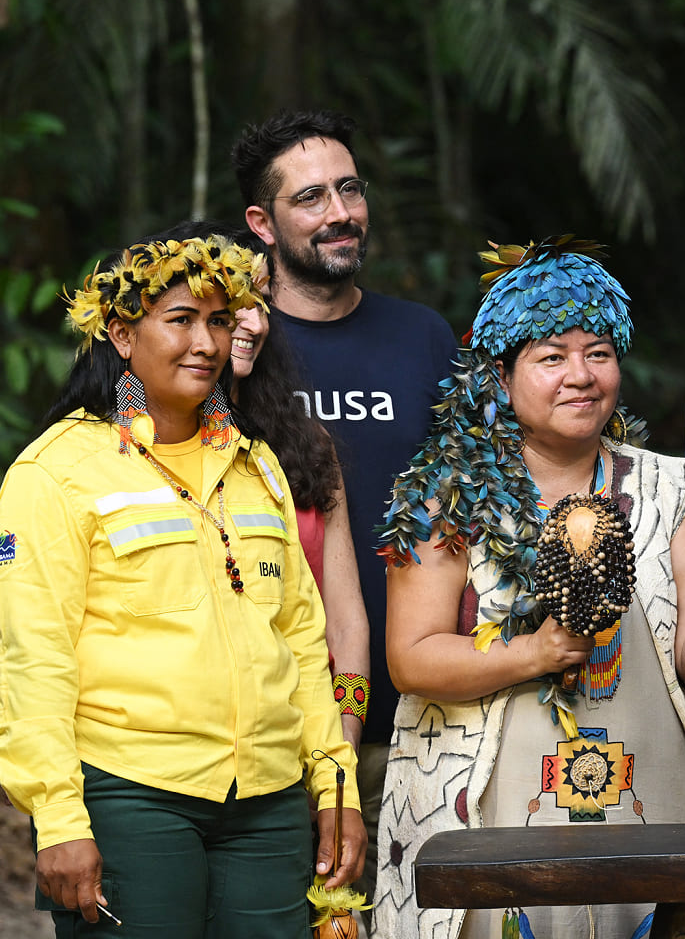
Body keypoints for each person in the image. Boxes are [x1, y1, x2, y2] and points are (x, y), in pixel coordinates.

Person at [372, 238, 685, 938]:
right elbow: (410, 658)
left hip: (648, 801)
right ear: (501, 379)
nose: (581, 375)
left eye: (598, 352)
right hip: (489, 811)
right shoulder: (445, 497)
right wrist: (531, 654)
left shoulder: (664, 489)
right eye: (551, 356)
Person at [0, 233, 364, 936]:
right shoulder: (54, 472)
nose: (206, 341)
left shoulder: (257, 466)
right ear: (121, 334)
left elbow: (299, 637)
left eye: (220, 321)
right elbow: (33, 657)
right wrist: (57, 819)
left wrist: (333, 781)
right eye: (181, 320)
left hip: (269, 800)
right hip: (132, 796)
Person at [231, 108, 455, 901]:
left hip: (421, 710)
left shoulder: (423, 338)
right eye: (312, 198)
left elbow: (479, 492)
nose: (340, 213)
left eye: (350, 190)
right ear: (262, 222)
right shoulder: (233, 349)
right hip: (267, 717)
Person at [167, 219, 372, 749]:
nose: (251, 324)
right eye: (228, 306)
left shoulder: (307, 445)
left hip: (309, 742)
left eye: (259, 301)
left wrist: (341, 747)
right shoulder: (117, 450)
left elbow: (345, 627)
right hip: (173, 752)